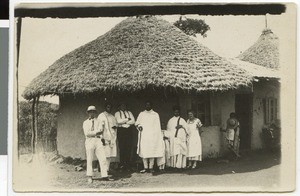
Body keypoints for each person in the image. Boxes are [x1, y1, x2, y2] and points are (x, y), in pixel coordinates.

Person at [82, 106, 112, 183]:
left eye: (93, 111)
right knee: (90, 158)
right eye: (90, 111)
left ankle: (104, 175)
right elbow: (87, 133)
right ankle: (89, 176)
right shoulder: (85, 122)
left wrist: (95, 133)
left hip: (98, 140)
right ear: (88, 113)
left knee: (103, 158)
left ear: (95, 113)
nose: (92, 113)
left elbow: (101, 130)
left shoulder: (99, 121)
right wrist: (95, 132)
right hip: (89, 141)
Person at [135, 101, 165, 173]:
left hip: (152, 136)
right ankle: (145, 167)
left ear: (151, 105)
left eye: (149, 104)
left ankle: (151, 167)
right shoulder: (141, 114)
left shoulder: (155, 114)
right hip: (144, 136)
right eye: (146, 104)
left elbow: (157, 127)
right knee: (144, 151)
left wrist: (157, 136)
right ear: (145, 105)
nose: (148, 106)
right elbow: (137, 123)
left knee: (152, 151)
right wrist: (139, 126)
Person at [165, 106, 188, 170]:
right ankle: (174, 166)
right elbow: (168, 130)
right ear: (173, 112)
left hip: (181, 138)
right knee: (175, 152)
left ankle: (181, 166)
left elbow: (187, 129)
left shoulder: (182, 120)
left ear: (179, 112)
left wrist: (181, 126)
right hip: (174, 139)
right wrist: (169, 138)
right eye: (175, 112)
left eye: (178, 112)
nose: (176, 113)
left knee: (181, 152)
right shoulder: (170, 120)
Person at [98, 103, 118, 173]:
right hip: (104, 137)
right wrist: (101, 138)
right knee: (104, 154)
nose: (109, 108)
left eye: (110, 107)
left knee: (109, 155)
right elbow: (99, 128)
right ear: (105, 107)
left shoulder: (112, 117)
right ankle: (102, 168)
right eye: (108, 107)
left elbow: (115, 126)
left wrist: (115, 128)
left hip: (111, 138)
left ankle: (107, 169)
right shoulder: (101, 116)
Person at [114, 103, 135, 170]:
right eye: (122, 106)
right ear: (119, 107)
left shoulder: (129, 112)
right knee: (122, 147)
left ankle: (128, 164)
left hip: (128, 131)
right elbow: (118, 121)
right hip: (121, 131)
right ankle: (122, 164)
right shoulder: (117, 113)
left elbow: (133, 121)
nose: (123, 107)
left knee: (128, 147)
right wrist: (127, 119)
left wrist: (124, 122)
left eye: (124, 105)